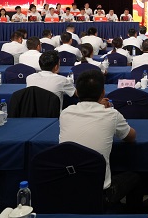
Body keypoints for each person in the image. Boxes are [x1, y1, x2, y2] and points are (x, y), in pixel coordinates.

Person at [59, 70, 142, 211]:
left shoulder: (65, 113)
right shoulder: (112, 114)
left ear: (77, 92)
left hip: (66, 187)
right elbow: (131, 137)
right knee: (135, 177)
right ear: (103, 93)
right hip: (99, 194)